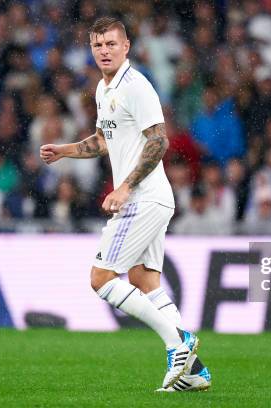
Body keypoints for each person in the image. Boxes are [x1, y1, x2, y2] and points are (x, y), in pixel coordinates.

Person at [39, 17, 210, 392]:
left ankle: (178, 344)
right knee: (144, 280)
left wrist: (125, 187)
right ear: (91, 48)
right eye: (98, 45)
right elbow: (104, 140)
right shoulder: (104, 90)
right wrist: (65, 150)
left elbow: (159, 141)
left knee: (101, 279)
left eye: (111, 44)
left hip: (143, 197)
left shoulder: (136, 87)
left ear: (127, 46)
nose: (104, 51)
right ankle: (194, 371)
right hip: (152, 198)